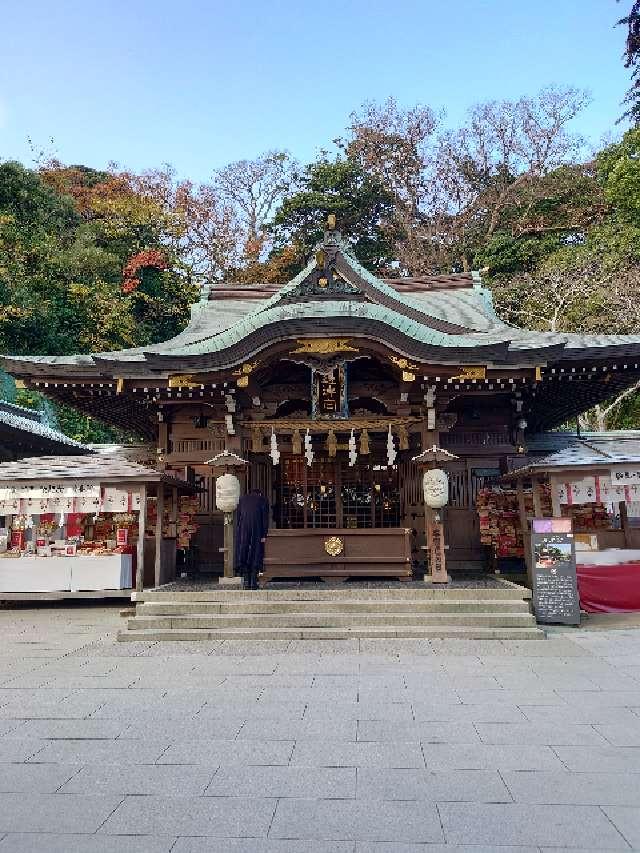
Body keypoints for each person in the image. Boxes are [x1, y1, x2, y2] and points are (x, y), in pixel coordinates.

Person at [234, 488, 269, 590]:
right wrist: (264, 535)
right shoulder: (263, 500)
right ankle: (253, 583)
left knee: (244, 553)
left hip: (243, 530)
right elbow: (265, 519)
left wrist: (239, 532)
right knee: (255, 554)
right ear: (260, 493)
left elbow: (238, 517)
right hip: (257, 530)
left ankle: (246, 582)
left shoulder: (242, 499)